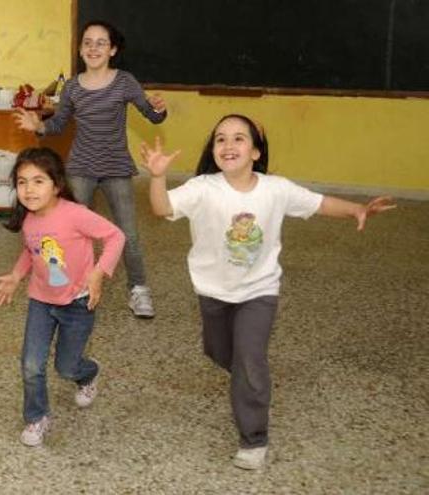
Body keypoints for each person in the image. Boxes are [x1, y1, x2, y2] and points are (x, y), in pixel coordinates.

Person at [141, 114, 396, 469]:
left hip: (259, 291)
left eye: (239, 139)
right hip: (213, 290)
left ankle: (253, 439)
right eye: (220, 139)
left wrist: (356, 208)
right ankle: (249, 376)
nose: (228, 145)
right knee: (217, 351)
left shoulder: (277, 189)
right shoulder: (203, 188)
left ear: (256, 152)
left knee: (249, 360)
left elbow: (319, 203)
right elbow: (161, 207)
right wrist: (157, 176)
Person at [14, 20, 166, 319]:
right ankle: (71, 286)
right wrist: (39, 125)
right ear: (81, 49)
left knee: (128, 233)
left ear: (112, 49)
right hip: (80, 167)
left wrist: (159, 108)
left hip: (116, 167)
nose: (93, 48)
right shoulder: (72, 86)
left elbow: (153, 115)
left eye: (100, 42)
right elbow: (58, 125)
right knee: (68, 231)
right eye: (87, 42)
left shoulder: (125, 82)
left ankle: (138, 289)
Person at [0, 147, 125, 447]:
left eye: (38, 181)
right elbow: (31, 251)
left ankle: (88, 373)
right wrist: (15, 276)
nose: (29, 189)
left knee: (66, 367)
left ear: (57, 184)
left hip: (78, 302)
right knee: (30, 364)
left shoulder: (74, 214)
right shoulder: (29, 218)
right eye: (22, 182)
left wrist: (99, 273)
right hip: (41, 300)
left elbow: (116, 236)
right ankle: (37, 417)